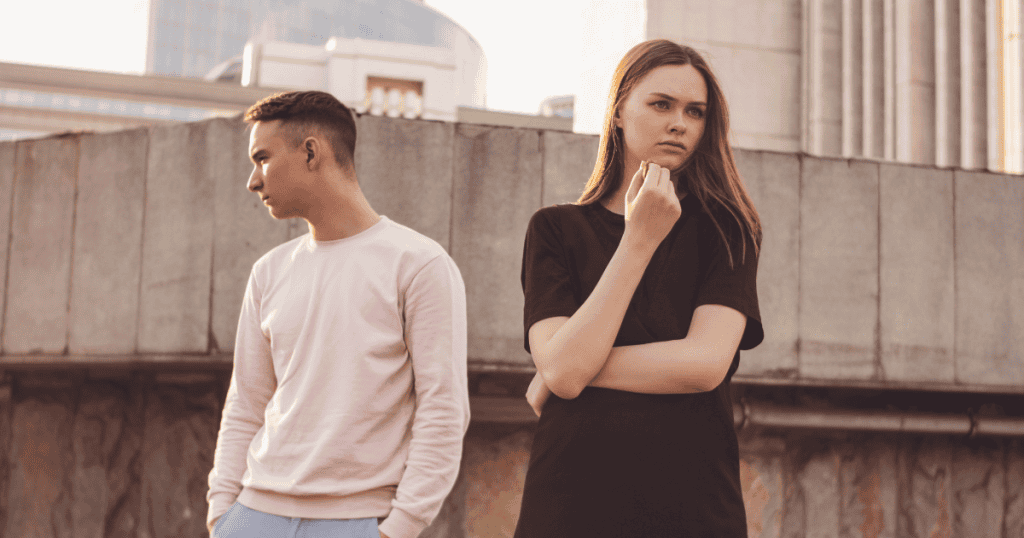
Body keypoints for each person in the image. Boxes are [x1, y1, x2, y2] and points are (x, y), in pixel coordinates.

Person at [514, 40, 764, 537]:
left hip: (690, 505)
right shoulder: (554, 229)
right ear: (620, 112)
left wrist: (567, 370)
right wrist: (640, 238)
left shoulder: (728, 228)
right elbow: (564, 367)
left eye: (695, 112)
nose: (679, 123)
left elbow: (704, 365)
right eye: (661, 104)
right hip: (570, 502)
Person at [206, 91, 470, 538]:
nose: (253, 180)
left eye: (263, 158)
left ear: (311, 151)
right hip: (252, 516)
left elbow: (443, 408)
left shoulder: (419, 263)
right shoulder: (268, 272)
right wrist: (221, 515)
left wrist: (400, 528)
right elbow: (245, 404)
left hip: (357, 521)